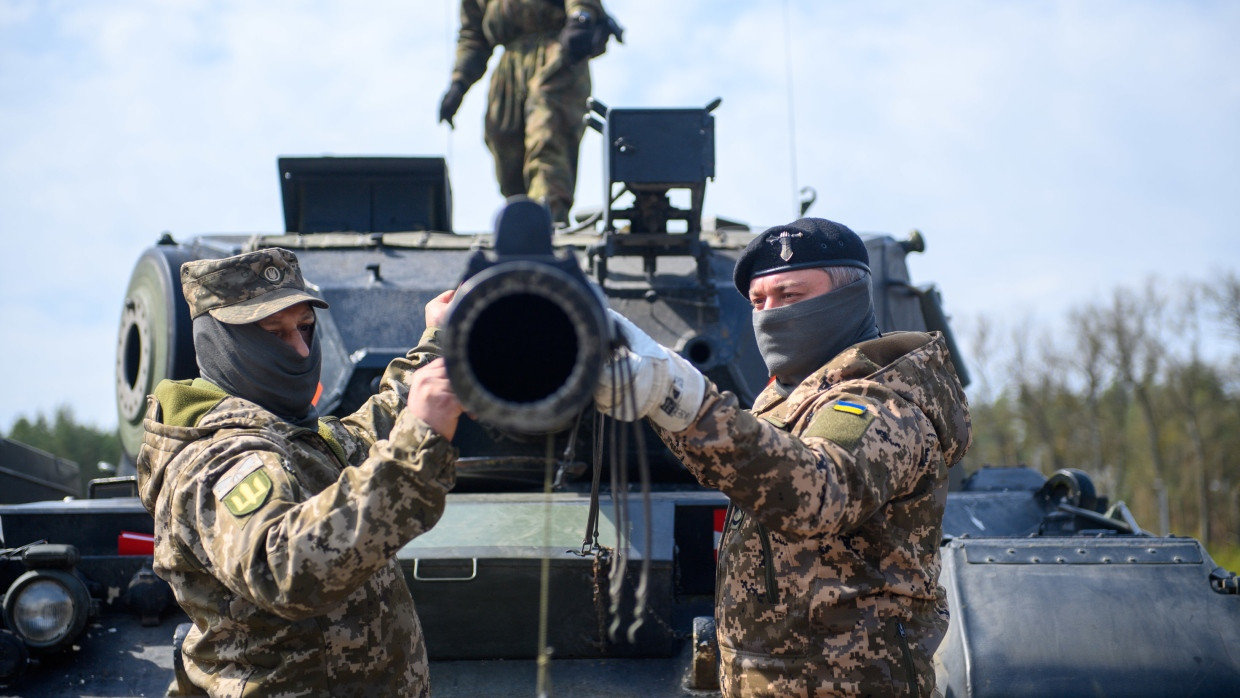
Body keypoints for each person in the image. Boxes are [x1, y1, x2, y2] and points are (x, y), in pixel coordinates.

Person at [594, 218, 972, 697]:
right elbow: (752, 468)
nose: (770, 315)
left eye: (790, 296)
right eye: (758, 301)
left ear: (848, 299)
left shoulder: (883, 402)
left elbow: (817, 490)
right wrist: (661, 403)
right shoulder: (790, 397)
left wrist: (679, 397)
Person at [135, 248, 462, 697]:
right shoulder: (217, 461)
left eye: (305, 328)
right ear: (222, 343)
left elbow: (368, 436)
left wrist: (437, 345)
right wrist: (417, 444)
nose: (301, 349)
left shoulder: (293, 434)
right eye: (276, 333)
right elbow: (285, 568)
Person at [438, 0, 617, 225]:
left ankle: (549, 217)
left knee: (546, 131)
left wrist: (580, 18)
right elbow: (473, 34)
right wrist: (459, 83)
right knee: (502, 138)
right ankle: (523, 221)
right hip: (510, 62)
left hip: (555, 49)